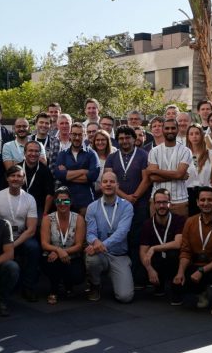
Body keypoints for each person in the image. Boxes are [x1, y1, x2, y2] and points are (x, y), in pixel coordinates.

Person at [173, 186, 212, 314]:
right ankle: (201, 293)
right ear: (197, 202)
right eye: (202, 200)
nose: (206, 203)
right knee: (180, 277)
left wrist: (202, 270)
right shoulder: (190, 222)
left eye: (210, 200)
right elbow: (185, 250)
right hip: (197, 264)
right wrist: (180, 272)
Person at [105, 125, 150, 286]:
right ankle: (119, 277)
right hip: (119, 205)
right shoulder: (112, 157)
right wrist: (126, 198)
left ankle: (138, 278)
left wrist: (135, 197)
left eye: (127, 137)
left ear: (134, 139)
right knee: (120, 238)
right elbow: (109, 180)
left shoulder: (143, 155)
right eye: (121, 138)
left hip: (140, 204)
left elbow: (146, 179)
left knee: (137, 240)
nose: (124, 141)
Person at [85, 171, 135, 303]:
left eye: (112, 182)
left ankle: (120, 270)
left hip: (119, 255)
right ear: (100, 185)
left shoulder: (127, 206)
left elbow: (122, 233)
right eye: (105, 181)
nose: (108, 184)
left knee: (125, 297)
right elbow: (90, 233)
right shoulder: (92, 207)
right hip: (100, 254)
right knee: (91, 259)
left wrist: (100, 245)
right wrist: (95, 241)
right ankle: (95, 284)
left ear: (117, 185)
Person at [0, 165, 41, 301]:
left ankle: (28, 287)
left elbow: (31, 230)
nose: (16, 179)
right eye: (12, 176)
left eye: (19, 176)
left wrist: (13, 245)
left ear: (24, 179)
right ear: (7, 178)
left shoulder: (30, 199)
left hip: (21, 237)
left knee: (33, 247)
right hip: (2, 238)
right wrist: (7, 244)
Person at [40, 187, 86, 304]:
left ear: (71, 202)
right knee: (53, 262)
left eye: (66, 200)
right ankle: (53, 290)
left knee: (78, 276)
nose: (62, 203)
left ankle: (68, 285)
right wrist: (57, 250)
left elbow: (79, 245)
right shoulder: (47, 219)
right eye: (59, 201)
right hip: (52, 255)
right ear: (55, 202)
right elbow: (44, 244)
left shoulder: (79, 219)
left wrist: (62, 252)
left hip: (72, 256)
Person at [139, 189, 185, 304]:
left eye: (165, 202)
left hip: (173, 259)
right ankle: (159, 285)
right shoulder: (147, 224)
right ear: (154, 204)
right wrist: (149, 270)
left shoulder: (179, 220)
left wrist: (154, 248)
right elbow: (142, 251)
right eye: (158, 202)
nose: (162, 206)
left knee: (173, 254)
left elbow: (178, 243)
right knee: (142, 267)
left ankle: (176, 290)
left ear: (170, 203)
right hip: (157, 261)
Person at [147, 118, 192, 217]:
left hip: (179, 200)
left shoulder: (186, 151)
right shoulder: (154, 151)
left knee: (180, 227)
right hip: (157, 199)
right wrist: (179, 176)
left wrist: (156, 171)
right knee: (155, 227)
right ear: (163, 130)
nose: (170, 131)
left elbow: (179, 174)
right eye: (167, 128)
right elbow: (152, 177)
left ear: (177, 129)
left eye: (173, 128)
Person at [54, 123, 100, 214]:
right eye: (74, 134)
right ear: (70, 135)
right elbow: (59, 175)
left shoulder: (92, 154)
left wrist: (67, 174)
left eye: (80, 134)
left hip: (86, 200)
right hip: (64, 199)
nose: (77, 138)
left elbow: (93, 176)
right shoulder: (62, 154)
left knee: (85, 222)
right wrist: (83, 171)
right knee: (64, 222)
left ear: (85, 135)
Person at [186, 124, 212, 216]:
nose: (194, 136)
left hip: (206, 193)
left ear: (202, 135)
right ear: (188, 137)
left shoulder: (211, 154)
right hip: (188, 193)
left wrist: (211, 195)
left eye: (197, 133)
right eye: (191, 134)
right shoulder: (184, 154)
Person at [22, 140, 55, 218]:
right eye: (30, 150)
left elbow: (50, 194)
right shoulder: (17, 169)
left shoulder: (46, 171)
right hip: (19, 205)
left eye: (36, 151)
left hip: (38, 208)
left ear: (40, 153)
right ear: (25, 153)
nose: (33, 154)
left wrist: (45, 214)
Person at [90, 129, 116, 194]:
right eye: (97, 140)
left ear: (107, 141)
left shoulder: (114, 152)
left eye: (103, 140)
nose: (100, 142)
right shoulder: (90, 155)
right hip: (95, 192)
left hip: (111, 190)